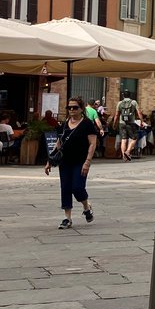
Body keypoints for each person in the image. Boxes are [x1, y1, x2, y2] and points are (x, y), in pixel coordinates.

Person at [44, 96, 98, 229]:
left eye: (75, 107)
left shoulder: (87, 124)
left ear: (81, 109)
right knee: (66, 188)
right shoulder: (64, 124)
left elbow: (92, 144)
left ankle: (86, 207)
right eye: (69, 107)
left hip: (80, 161)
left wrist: (87, 162)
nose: (72, 110)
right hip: (65, 161)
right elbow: (59, 143)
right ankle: (67, 218)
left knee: (78, 188)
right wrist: (50, 160)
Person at [115, 92, 141, 162]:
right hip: (131, 123)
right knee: (134, 138)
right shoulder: (134, 102)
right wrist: (141, 121)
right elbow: (139, 112)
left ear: (123, 96)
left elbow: (116, 115)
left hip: (121, 123)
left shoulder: (120, 103)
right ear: (130, 95)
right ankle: (128, 151)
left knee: (124, 139)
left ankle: (124, 157)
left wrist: (114, 123)